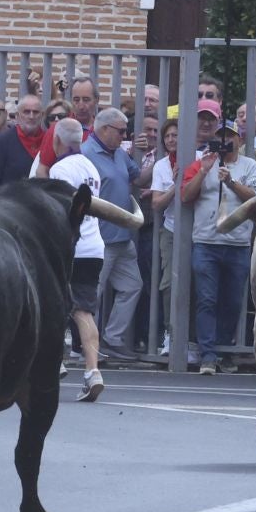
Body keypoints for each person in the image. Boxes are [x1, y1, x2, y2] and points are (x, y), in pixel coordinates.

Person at [180, 110, 256, 375]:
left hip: (237, 243)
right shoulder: (201, 161)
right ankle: (208, 354)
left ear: (239, 140)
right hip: (206, 241)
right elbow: (186, 196)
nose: (225, 143)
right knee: (206, 299)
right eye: (220, 138)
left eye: (230, 138)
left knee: (232, 301)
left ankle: (224, 349)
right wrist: (204, 172)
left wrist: (232, 182)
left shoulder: (249, 164)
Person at [45, 119, 109, 402]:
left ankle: (54, 362)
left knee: (54, 305)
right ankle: (92, 372)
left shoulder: (59, 169)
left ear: (57, 141)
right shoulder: (90, 167)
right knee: (84, 311)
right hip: (94, 246)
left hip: (71, 247)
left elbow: (60, 212)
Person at [84, 108, 142, 361]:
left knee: (132, 286)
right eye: (121, 131)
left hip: (122, 238)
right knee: (92, 294)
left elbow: (137, 178)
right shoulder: (86, 154)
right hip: (100, 240)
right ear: (104, 129)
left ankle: (112, 339)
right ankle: (88, 346)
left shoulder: (118, 153)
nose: (124, 135)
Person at [148, 116, 183, 357]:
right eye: (167, 136)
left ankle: (190, 338)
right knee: (169, 283)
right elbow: (157, 203)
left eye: (175, 135)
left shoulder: (200, 158)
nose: (171, 139)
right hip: (170, 228)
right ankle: (171, 333)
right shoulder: (161, 165)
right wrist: (176, 184)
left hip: (199, 229)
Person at [0, 94, 45, 190]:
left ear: (42, 115)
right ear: (18, 116)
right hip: (10, 202)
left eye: (35, 112)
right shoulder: (3, 141)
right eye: (26, 112)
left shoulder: (48, 140)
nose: (31, 116)